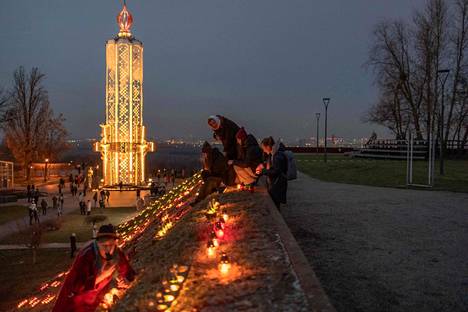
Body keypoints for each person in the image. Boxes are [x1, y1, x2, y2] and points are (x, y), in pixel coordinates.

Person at [52, 224, 136, 312]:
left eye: (111, 245)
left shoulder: (116, 253)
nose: (108, 249)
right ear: (98, 244)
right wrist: (101, 276)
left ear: (115, 243)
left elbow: (129, 273)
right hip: (74, 303)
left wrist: (126, 280)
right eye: (104, 245)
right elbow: (77, 287)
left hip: (94, 302)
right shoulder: (87, 256)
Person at [256, 137, 288, 209]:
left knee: (275, 205)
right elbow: (272, 166)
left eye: (263, 148)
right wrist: (263, 166)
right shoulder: (273, 154)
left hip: (277, 185)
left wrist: (263, 171)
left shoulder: (277, 156)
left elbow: (276, 171)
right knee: (274, 204)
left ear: (267, 147)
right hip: (275, 184)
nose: (263, 150)